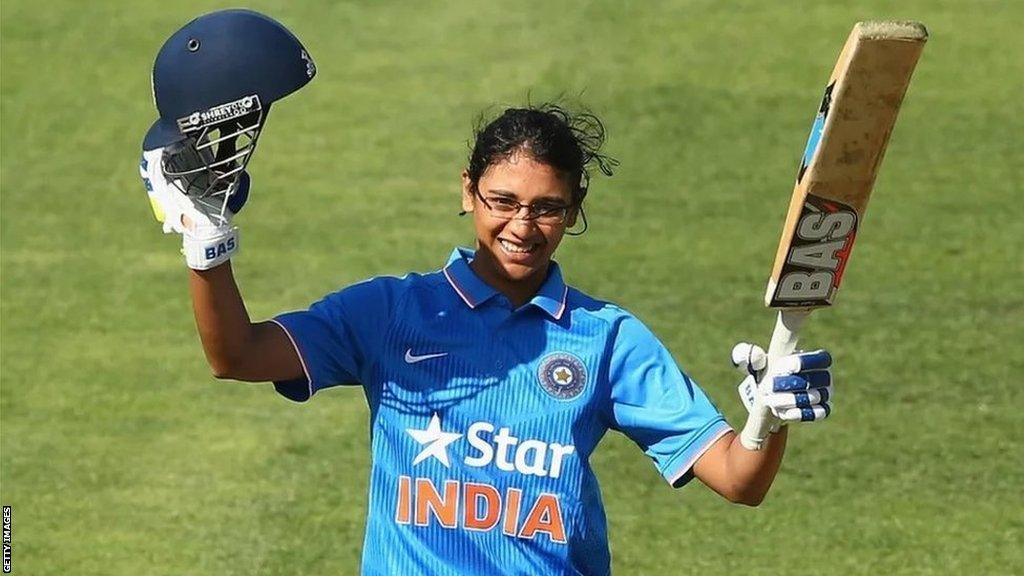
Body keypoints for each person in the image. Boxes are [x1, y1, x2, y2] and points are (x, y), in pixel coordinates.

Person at [141, 12, 834, 576]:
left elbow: (740, 481)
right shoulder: (388, 313)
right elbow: (236, 355)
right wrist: (207, 248)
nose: (523, 227)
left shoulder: (608, 339)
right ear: (467, 192)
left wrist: (766, 421)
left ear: (575, 207)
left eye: (548, 208)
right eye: (502, 201)